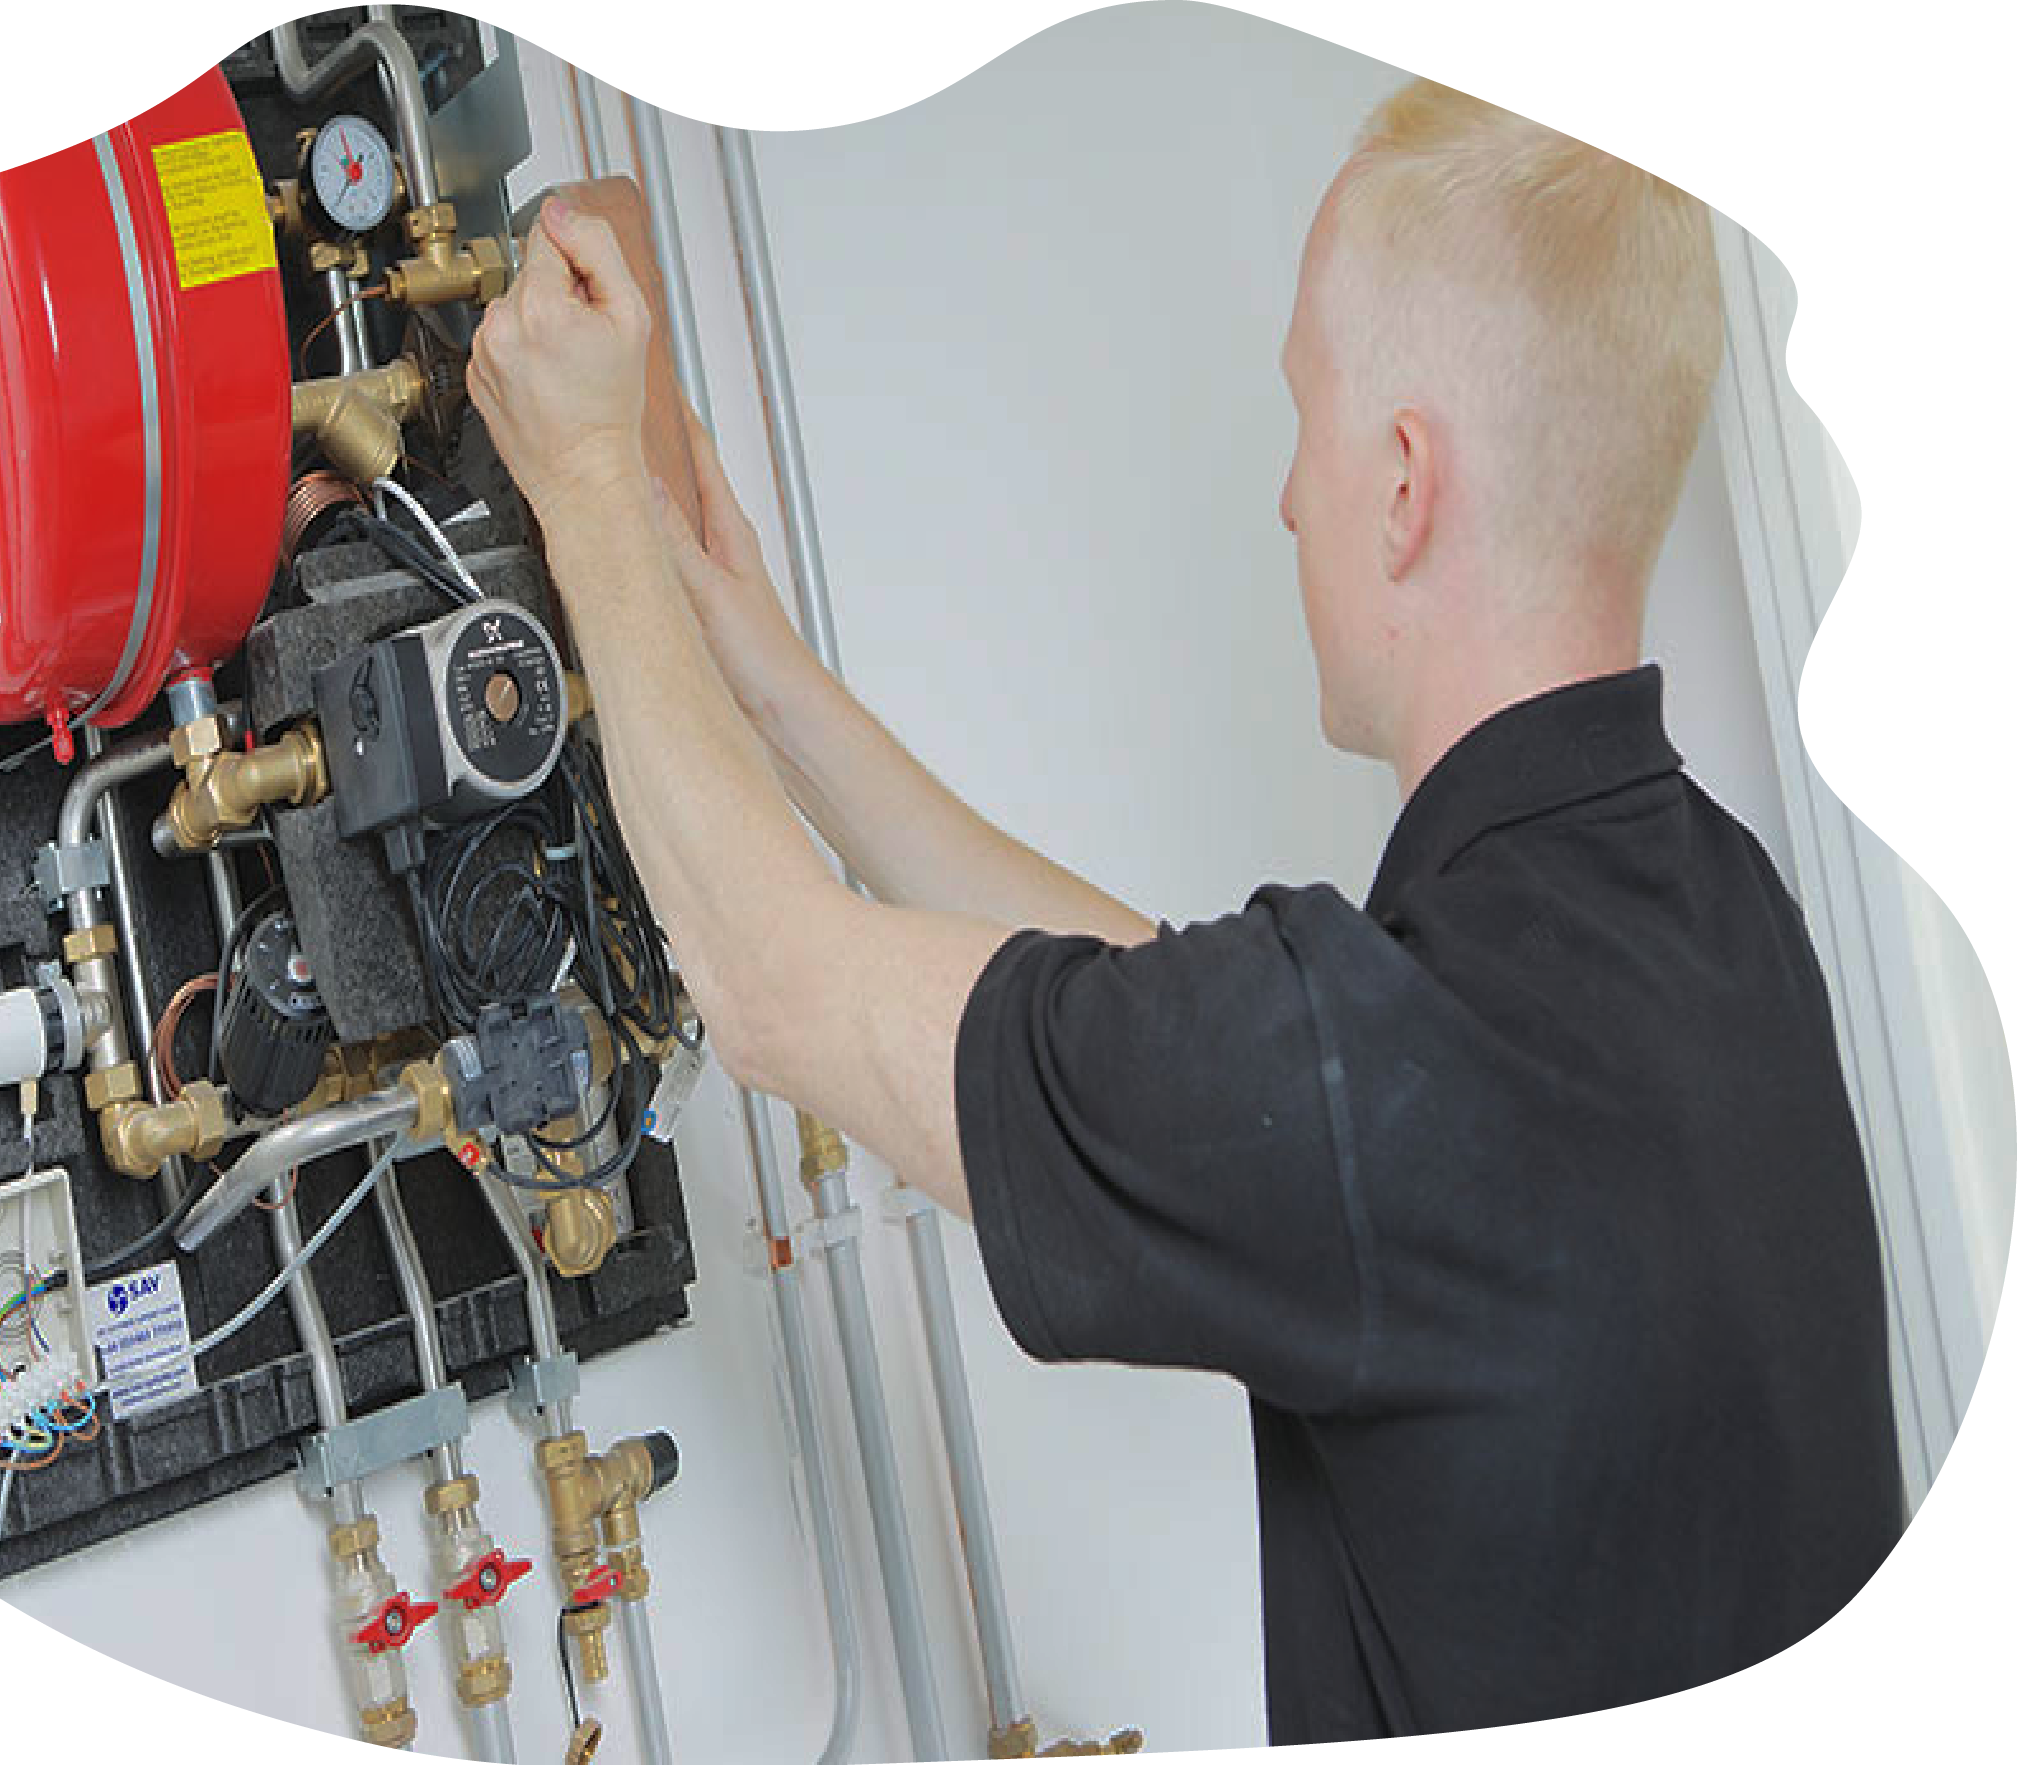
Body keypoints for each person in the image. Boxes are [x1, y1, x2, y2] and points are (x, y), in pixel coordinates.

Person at [467, 78, 1902, 1742]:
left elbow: (773, 983)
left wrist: (586, 485)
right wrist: (768, 682)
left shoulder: (1372, 1077)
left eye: (1305, 418)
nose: (1286, 496)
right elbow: (1200, 1039)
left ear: (1401, 484)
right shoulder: (1712, 915)